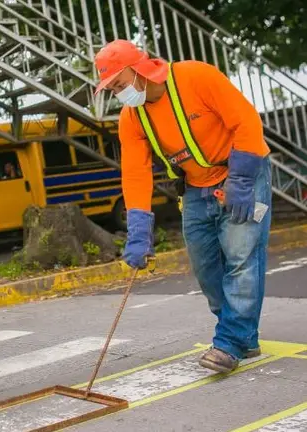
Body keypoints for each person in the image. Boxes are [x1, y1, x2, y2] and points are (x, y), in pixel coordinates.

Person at [94, 40, 272, 374]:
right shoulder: (131, 118)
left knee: (241, 258)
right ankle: (242, 334)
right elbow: (135, 173)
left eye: (120, 84)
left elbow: (246, 121)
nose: (119, 94)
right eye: (113, 89)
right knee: (206, 269)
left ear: (140, 70)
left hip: (242, 173)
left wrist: (243, 180)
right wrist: (137, 231)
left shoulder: (196, 77)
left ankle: (230, 342)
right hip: (195, 187)